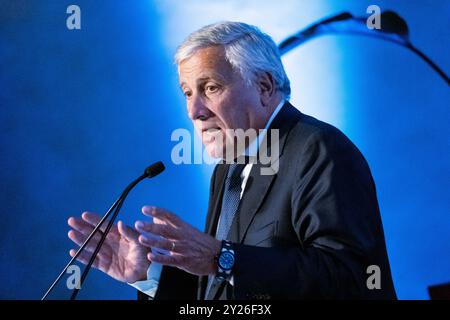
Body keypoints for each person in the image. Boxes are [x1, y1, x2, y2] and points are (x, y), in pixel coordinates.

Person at [67, 21, 397, 300]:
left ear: (264, 87)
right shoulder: (229, 168)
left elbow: (350, 278)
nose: (195, 111)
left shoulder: (318, 149)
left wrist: (221, 257)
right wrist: (149, 274)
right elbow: (223, 292)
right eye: (187, 93)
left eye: (210, 88)